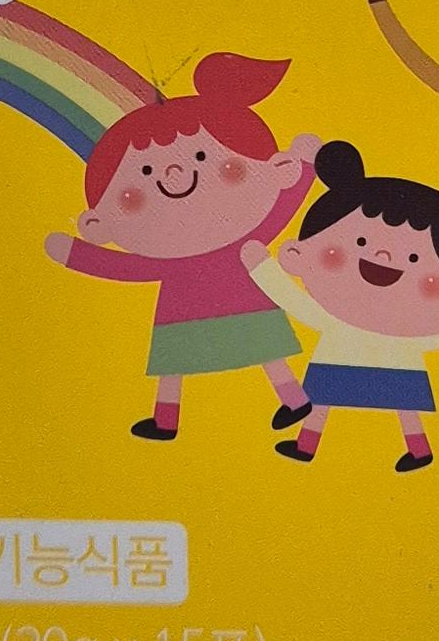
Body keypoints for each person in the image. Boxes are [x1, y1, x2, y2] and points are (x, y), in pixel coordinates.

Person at [44, 53, 317, 437]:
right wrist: (77, 254)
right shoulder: (168, 256)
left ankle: (293, 400)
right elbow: (126, 267)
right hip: (186, 311)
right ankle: (166, 420)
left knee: (264, 350)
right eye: (144, 172)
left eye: (203, 157)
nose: (173, 174)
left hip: (237, 301)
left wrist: (304, 168)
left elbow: (279, 211)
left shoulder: (239, 241)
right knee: (175, 363)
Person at [246, 141, 439, 472]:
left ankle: (417, 451)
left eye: (416, 259)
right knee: (325, 399)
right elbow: (297, 302)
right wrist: (264, 269)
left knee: (398, 408)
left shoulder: (414, 331)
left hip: (385, 361)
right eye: (360, 241)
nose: (382, 257)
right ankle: (307, 445)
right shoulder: (339, 318)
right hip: (342, 356)